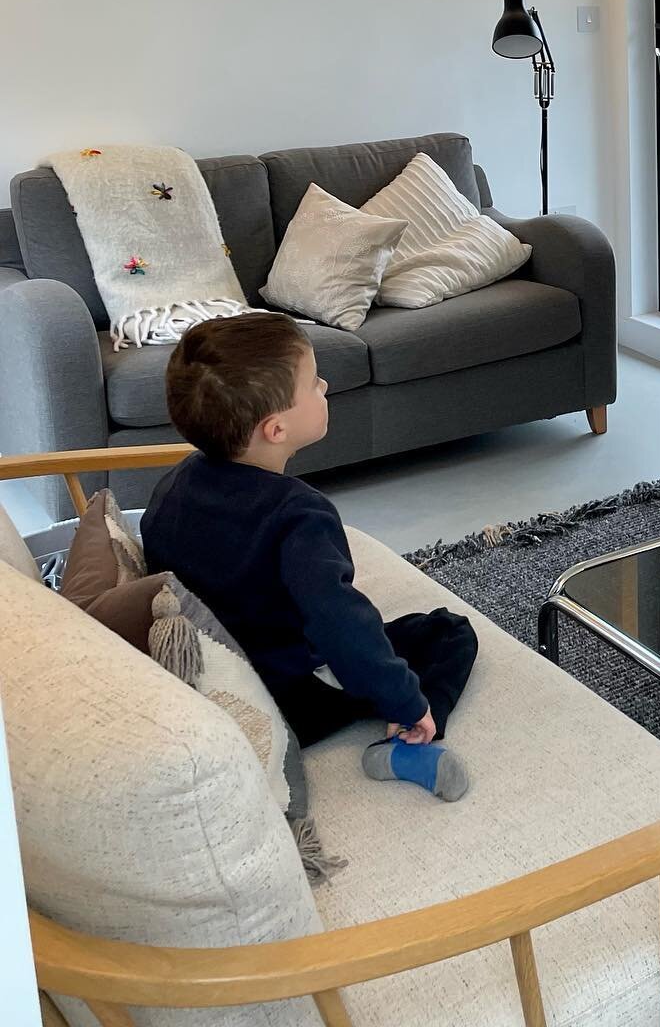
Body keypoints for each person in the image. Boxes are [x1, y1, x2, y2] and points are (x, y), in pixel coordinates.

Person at [142, 312, 477, 802]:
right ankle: (409, 740)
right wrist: (405, 700)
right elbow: (339, 623)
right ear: (276, 429)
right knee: (449, 631)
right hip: (291, 694)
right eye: (313, 382)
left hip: (221, 681)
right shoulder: (299, 514)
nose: (325, 385)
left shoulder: (173, 485)